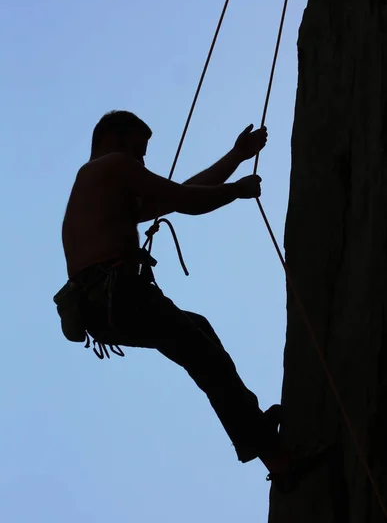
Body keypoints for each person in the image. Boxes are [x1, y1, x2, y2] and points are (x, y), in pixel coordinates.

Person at [55, 110, 299, 490]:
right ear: (112, 141)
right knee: (205, 358)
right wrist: (235, 190)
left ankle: (259, 436)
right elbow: (186, 199)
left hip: (99, 308)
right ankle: (277, 458)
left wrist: (235, 157)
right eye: (139, 151)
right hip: (115, 293)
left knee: (198, 333)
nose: (142, 161)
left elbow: (181, 194)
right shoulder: (111, 167)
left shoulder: (100, 186)